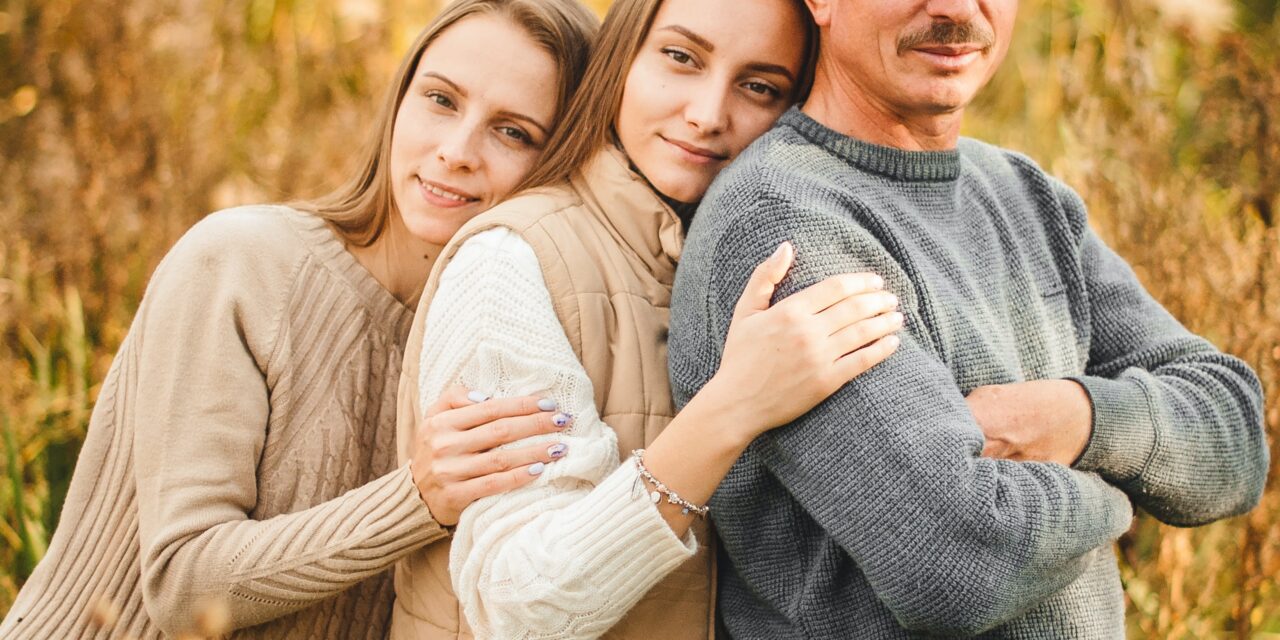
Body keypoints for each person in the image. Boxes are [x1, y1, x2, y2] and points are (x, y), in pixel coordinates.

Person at [668, 0, 1270, 637]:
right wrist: (1127, 492)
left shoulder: (1024, 192)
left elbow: (1235, 432)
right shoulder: (784, 223)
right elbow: (956, 561)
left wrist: (1078, 419)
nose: (956, 9)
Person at [0, 1, 599, 637]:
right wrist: (417, 500)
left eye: (514, 132)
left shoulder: (511, 344)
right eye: (441, 100)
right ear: (400, 99)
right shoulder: (241, 263)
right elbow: (182, 583)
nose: (456, 151)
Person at [390, 0, 904, 638]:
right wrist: (734, 407)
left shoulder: (741, 257)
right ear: (623, 56)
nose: (708, 114)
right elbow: (522, 606)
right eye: (681, 58)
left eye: (759, 86)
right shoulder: (512, 261)